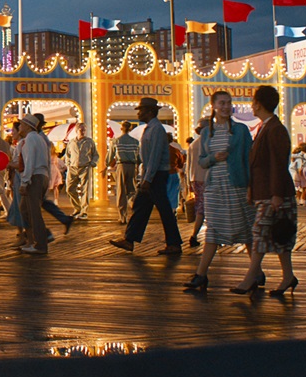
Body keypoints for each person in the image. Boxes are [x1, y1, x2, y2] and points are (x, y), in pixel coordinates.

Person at [232, 85, 298, 297]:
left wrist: (276, 193)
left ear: (259, 104)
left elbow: (278, 163)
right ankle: (288, 276)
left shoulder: (274, 129)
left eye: (253, 101)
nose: (252, 104)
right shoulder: (267, 127)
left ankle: (251, 276)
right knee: (280, 236)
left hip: (274, 193)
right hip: (268, 192)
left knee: (260, 233)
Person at [184, 91, 254, 290]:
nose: (226, 106)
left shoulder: (240, 130)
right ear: (213, 105)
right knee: (212, 230)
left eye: (229, 103)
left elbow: (249, 159)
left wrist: (250, 186)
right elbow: (202, 161)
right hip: (214, 186)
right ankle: (201, 274)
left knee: (246, 228)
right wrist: (214, 158)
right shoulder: (207, 133)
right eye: (222, 103)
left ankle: (255, 272)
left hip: (237, 186)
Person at [109, 98, 183, 256]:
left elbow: (155, 157)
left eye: (141, 110)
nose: (139, 113)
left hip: (155, 175)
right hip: (152, 175)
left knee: (163, 210)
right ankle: (130, 239)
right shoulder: (151, 128)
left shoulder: (156, 129)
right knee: (141, 207)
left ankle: (174, 243)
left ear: (150, 112)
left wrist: (147, 179)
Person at [16, 114, 52, 255]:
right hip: (41, 176)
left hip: (34, 177)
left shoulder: (30, 139)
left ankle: (40, 244)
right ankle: (34, 241)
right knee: (25, 209)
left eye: (21, 124)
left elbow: (29, 161)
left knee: (33, 212)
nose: (19, 127)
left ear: (27, 126)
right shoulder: (40, 139)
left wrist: (25, 182)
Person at [106, 121, 140, 223]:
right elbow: (139, 157)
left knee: (121, 191)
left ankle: (122, 216)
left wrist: (106, 164)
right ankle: (134, 208)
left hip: (121, 165)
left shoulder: (116, 141)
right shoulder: (135, 142)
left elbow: (110, 156)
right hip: (132, 166)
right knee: (131, 190)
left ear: (121, 128)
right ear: (130, 129)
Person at [64, 123, 97, 219]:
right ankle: (77, 208)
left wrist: (92, 163)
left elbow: (95, 154)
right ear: (76, 130)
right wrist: (68, 164)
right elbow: (67, 154)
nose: (82, 132)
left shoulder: (89, 142)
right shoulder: (71, 142)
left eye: (84, 130)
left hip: (85, 167)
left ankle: (84, 211)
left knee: (85, 190)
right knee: (69, 189)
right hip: (73, 168)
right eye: (81, 130)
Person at [185, 119, 209, 247]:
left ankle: (197, 235)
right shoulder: (207, 144)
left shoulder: (193, 144)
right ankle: (195, 235)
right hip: (206, 178)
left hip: (195, 178)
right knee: (205, 208)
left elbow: (188, 165)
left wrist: (189, 182)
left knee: (201, 206)